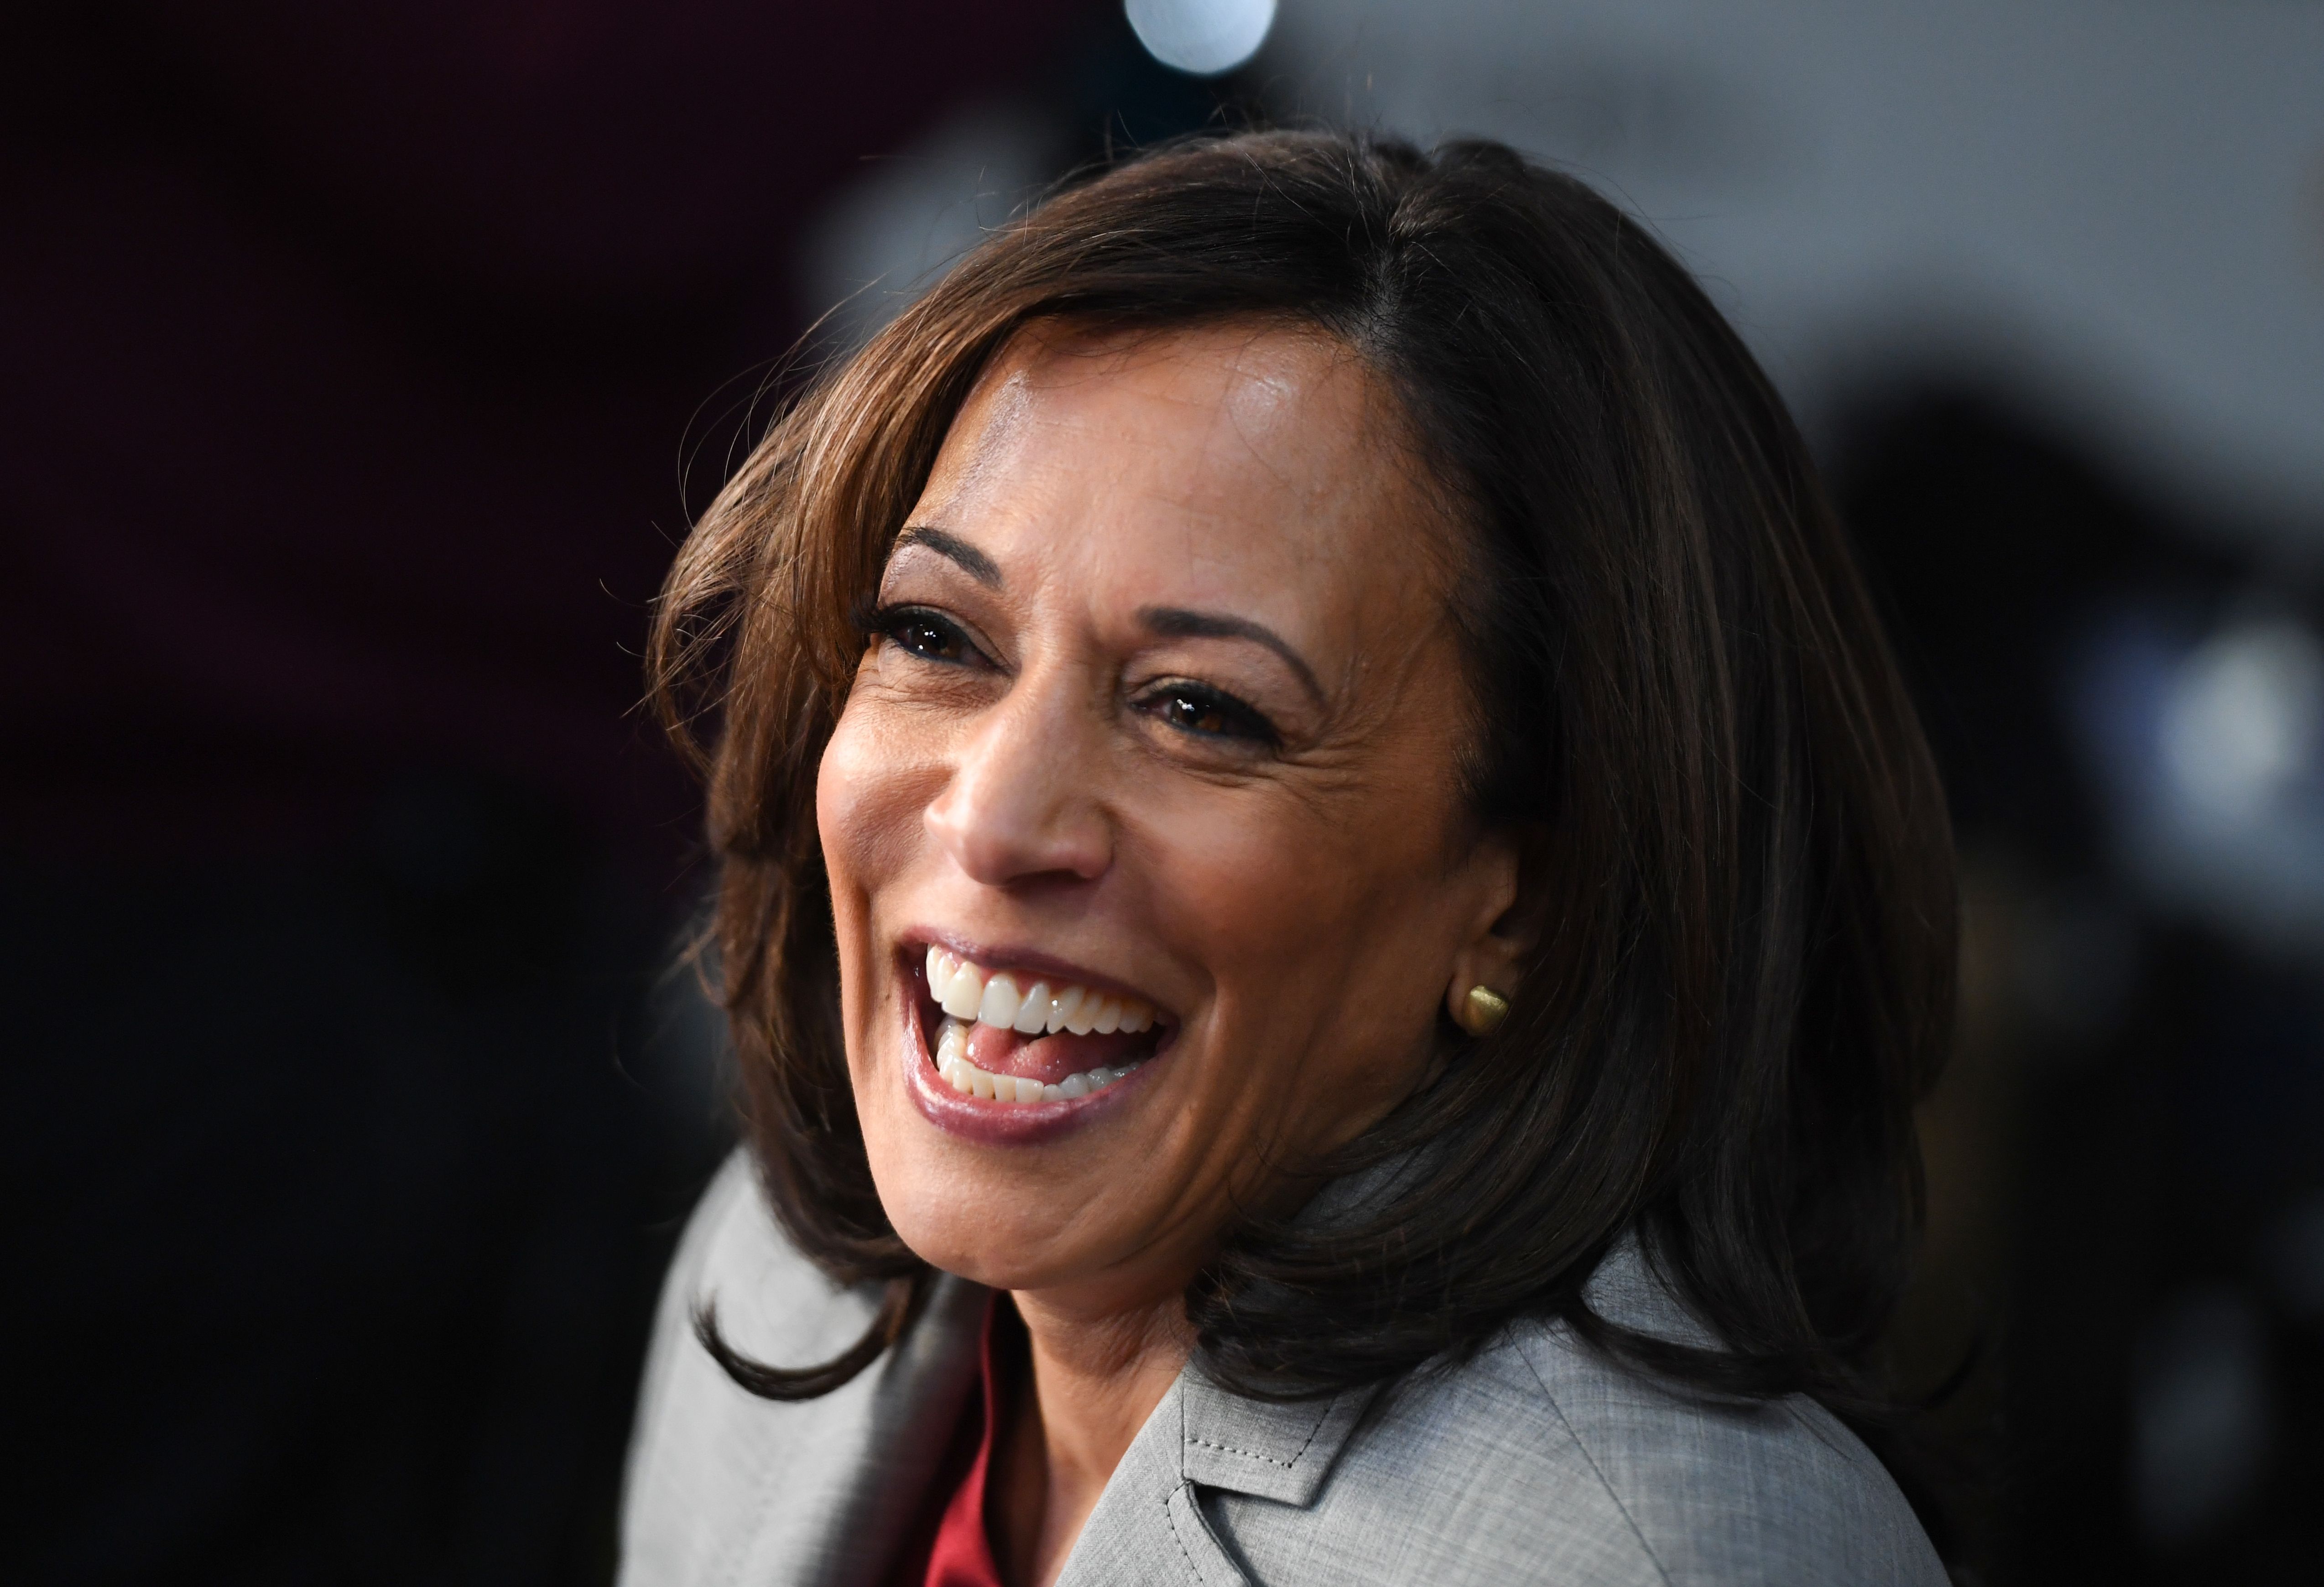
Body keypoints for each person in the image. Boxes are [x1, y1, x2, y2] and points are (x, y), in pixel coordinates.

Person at [620, 129, 1958, 1587]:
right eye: (935, 637)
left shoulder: (1642, 1559)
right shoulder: (773, 1282)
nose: (994, 821)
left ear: (1527, 908)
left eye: (1204, 711)